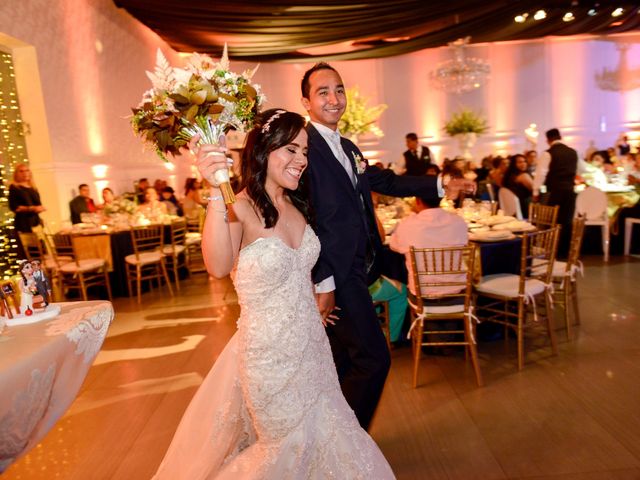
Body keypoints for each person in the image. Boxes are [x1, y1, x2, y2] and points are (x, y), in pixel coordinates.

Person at [153, 109, 395, 479]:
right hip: (270, 360)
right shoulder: (239, 206)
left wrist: (314, 296)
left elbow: (302, 267)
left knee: (329, 435)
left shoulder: (297, 204)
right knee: (286, 449)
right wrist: (217, 188)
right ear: (265, 150)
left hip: (314, 349)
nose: (301, 160)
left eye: (304, 151)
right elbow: (218, 266)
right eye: (291, 150)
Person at [301, 62, 471, 430]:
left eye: (339, 89)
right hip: (337, 274)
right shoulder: (304, 148)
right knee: (374, 359)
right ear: (306, 101)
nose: (334, 98)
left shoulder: (346, 146)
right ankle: (347, 441)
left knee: (343, 359)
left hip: (359, 269)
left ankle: (333, 442)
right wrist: (323, 281)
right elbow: (305, 220)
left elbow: (386, 181)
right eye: (323, 92)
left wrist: (441, 185)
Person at [533, 128, 579, 257]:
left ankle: (552, 251)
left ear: (548, 140)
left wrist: (536, 191)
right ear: (560, 137)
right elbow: (581, 169)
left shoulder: (548, 153)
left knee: (552, 221)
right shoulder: (573, 152)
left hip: (554, 192)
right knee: (567, 222)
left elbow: (541, 174)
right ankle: (565, 252)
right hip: (570, 192)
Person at [8, 162, 45, 233]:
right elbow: (14, 207)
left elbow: (38, 204)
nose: (25, 173)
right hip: (23, 223)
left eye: (27, 170)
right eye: (21, 171)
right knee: (29, 243)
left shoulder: (33, 187)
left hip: (36, 221)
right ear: (16, 174)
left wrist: (40, 208)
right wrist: (31, 208)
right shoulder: (14, 187)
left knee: (40, 243)